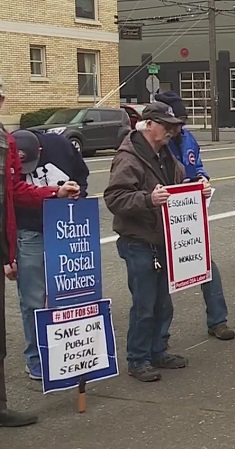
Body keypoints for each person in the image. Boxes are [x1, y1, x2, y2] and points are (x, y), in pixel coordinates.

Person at [104, 102, 211, 382]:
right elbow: (114, 198)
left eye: (174, 126)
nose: (171, 132)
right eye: (166, 125)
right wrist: (148, 199)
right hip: (139, 241)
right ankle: (137, 359)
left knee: (163, 301)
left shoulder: (163, 154)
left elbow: (177, 186)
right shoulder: (129, 157)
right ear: (149, 124)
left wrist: (197, 186)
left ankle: (157, 350)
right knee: (145, 303)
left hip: (162, 239)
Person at [0, 76, 80, 425]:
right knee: (31, 299)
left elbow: (15, 190)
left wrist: (54, 193)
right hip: (21, 238)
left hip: (8, 239)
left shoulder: (6, 141)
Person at [155, 91, 235, 341]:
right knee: (160, 280)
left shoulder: (187, 137)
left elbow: (196, 163)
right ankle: (160, 337)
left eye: (181, 121)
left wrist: (202, 178)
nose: (179, 128)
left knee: (207, 267)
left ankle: (218, 321)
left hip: (188, 212)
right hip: (161, 216)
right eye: (174, 122)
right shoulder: (153, 143)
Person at [10, 129, 89, 381]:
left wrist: (78, 194)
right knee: (33, 298)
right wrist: (8, 254)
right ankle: (35, 357)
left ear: (41, 151)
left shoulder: (62, 146)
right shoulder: (9, 153)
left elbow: (82, 174)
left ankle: (68, 353)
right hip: (29, 230)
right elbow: (9, 198)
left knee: (69, 293)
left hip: (64, 226)